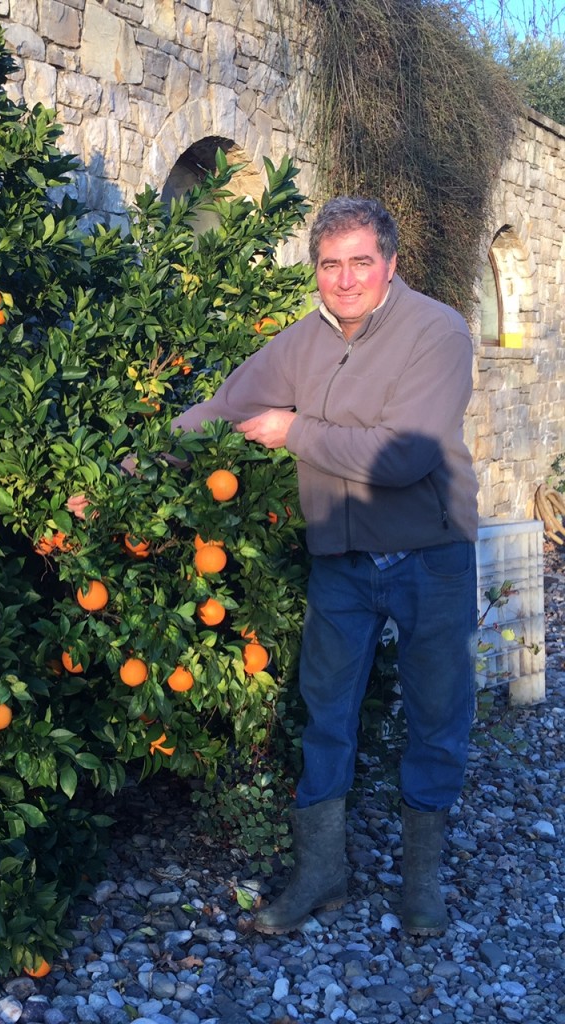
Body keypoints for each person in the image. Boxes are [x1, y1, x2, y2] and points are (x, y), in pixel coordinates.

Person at [169, 196, 479, 937]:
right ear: (316, 269)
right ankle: (321, 874)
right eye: (331, 264)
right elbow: (221, 407)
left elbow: (402, 455)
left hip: (430, 554)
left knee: (438, 713)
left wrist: (295, 431)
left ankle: (422, 882)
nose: (345, 280)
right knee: (325, 713)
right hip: (342, 558)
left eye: (361, 262)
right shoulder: (302, 341)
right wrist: (122, 471)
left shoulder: (437, 331)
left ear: (390, 264)